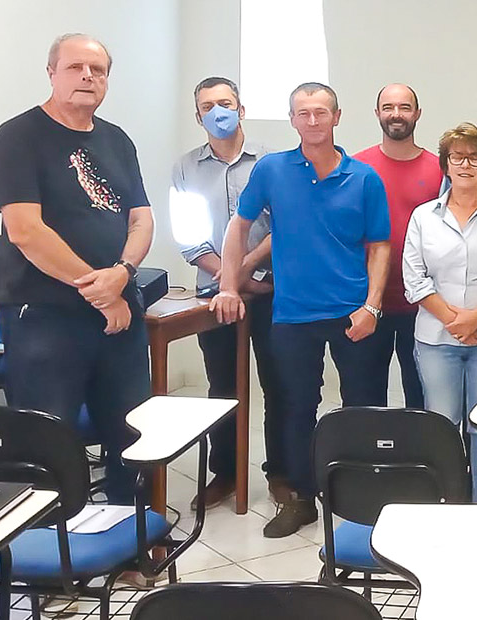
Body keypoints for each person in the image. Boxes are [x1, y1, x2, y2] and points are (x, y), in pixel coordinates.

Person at [211, 82, 391, 538]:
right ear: (292, 120)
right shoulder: (272, 170)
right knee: (294, 408)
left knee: (362, 407)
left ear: (337, 116)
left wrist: (372, 306)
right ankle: (300, 499)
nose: (312, 121)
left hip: (352, 312)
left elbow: (380, 246)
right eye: (303, 113)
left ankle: (359, 497)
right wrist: (229, 284)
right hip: (292, 314)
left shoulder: (365, 177)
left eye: (321, 113)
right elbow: (240, 226)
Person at [0, 33, 153, 505]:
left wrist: (122, 272)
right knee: (47, 440)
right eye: (76, 67)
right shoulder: (17, 137)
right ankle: (55, 557)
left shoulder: (117, 139)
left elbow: (141, 218)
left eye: (98, 71)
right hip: (46, 318)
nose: (87, 77)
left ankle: (128, 537)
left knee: (133, 431)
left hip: (119, 313)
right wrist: (101, 291)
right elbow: (25, 232)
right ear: (52, 72)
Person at [171, 76, 289, 508]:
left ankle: (283, 473)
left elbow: (286, 225)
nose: (217, 111)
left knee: (281, 385)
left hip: (271, 291)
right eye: (207, 105)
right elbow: (189, 237)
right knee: (222, 386)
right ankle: (226, 474)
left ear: (241, 109)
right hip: (215, 296)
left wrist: (245, 271)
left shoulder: (273, 161)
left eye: (225, 103)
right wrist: (230, 280)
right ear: (198, 115)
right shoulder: (185, 167)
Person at [402, 123, 477, 504]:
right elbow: (415, 279)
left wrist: (475, 319)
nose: (466, 164)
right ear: (446, 165)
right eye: (458, 157)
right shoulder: (424, 217)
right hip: (436, 339)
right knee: (441, 425)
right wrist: (455, 321)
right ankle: (447, 504)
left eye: (475, 157)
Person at [353, 83, 442, 409]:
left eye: (404, 107)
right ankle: (371, 460)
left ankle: (416, 460)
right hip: (366, 304)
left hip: (422, 306)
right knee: (365, 396)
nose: (396, 114)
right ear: (377, 113)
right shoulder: (356, 168)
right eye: (388, 107)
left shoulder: (439, 170)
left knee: (421, 397)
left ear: (417, 114)